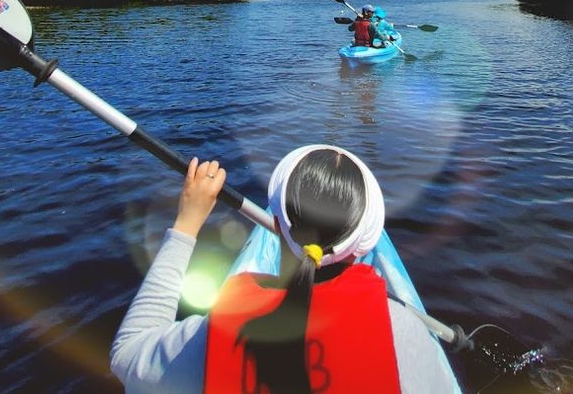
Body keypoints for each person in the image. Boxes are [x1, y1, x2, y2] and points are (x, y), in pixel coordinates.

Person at [110, 146, 456, 393]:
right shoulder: (404, 335)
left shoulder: (208, 338)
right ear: (363, 244)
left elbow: (126, 354)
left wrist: (187, 222)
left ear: (276, 223)